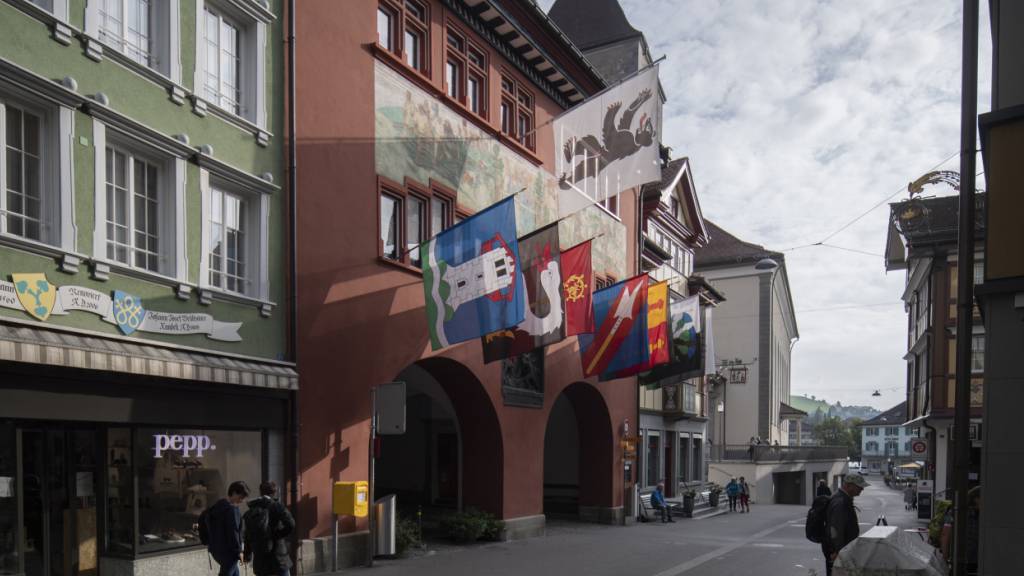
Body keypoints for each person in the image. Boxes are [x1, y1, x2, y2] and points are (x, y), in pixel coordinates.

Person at [243, 480, 296, 576]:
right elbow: (291, 524)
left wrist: (247, 555)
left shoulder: (252, 509)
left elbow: (248, 534)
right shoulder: (276, 506)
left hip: (260, 558)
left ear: (260, 492)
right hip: (278, 556)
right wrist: (277, 535)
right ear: (274, 492)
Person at [822, 473, 870, 576]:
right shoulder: (841, 502)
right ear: (848, 486)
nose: (862, 489)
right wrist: (837, 551)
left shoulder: (843, 499)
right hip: (838, 551)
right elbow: (835, 529)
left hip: (840, 550)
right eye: (859, 486)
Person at [207, 481, 250, 576]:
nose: (242, 500)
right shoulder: (232, 510)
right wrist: (239, 551)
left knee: (234, 572)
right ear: (234, 493)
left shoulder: (217, 506)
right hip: (229, 552)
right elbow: (233, 532)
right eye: (241, 497)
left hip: (216, 550)